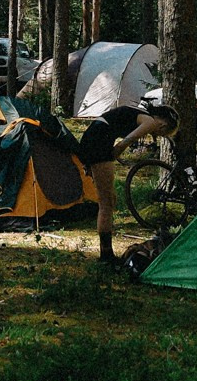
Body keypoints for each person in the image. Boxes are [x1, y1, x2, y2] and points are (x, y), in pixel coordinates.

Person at [75, 97, 177, 266]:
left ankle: (106, 251)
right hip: (99, 140)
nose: (155, 134)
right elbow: (130, 138)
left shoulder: (139, 113)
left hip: (95, 137)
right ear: (164, 125)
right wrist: (119, 148)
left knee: (110, 199)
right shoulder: (150, 121)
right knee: (106, 202)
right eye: (161, 134)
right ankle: (105, 255)